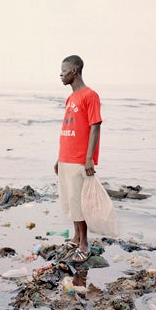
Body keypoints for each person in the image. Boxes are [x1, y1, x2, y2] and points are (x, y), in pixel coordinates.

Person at [54, 55, 102, 263]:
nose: (61, 74)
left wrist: (89, 158)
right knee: (70, 200)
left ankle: (84, 243)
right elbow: (67, 128)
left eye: (64, 70)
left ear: (74, 70)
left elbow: (95, 126)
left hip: (79, 159)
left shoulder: (89, 95)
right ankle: (75, 236)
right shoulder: (70, 98)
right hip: (66, 156)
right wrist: (59, 158)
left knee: (79, 202)